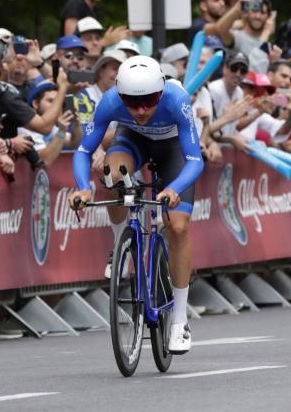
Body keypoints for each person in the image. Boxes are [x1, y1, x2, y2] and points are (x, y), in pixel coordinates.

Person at [68, 56, 203, 355]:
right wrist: (82, 188)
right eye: (132, 102)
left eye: (150, 100)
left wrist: (174, 187)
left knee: (178, 227)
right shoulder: (109, 101)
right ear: (120, 94)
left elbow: (195, 159)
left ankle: (180, 320)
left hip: (173, 152)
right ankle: (121, 243)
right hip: (132, 142)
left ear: (161, 91)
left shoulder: (177, 98)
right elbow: (83, 150)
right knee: (112, 176)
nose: (141, 110)